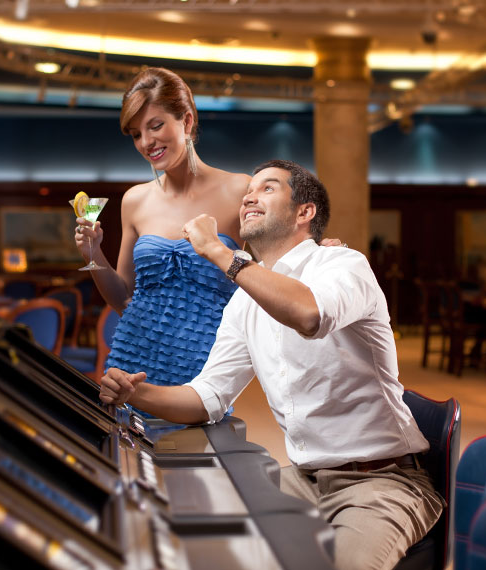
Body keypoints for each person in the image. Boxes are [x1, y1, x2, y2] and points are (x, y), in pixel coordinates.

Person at [98, 159, 443, 570]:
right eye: (249, 191)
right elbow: (207, 395)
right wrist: (136, 393)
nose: (249, 196)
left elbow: (309, 315)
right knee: (207, 540)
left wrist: (217, 251)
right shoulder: (246, 298)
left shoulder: (343, 265)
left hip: (381, 481)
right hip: (306, 477)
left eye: (268, 188)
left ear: (305, 212)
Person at [73, 67, 250, 391]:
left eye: (155, 126)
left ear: (186, 120)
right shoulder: (135, 200)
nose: (146, 142)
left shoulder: (242, 191)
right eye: (136, 134)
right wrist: (93, 253)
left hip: (200, 369)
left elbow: (275, 276)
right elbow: (123, 297)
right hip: (130, 361)